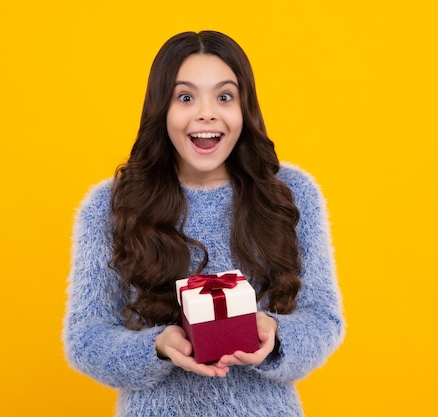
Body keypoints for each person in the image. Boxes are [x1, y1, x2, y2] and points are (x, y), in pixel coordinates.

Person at [63, 30, 345, 417]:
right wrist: (159, 346)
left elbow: (324, 319)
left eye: (224, 96)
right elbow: (84, 339)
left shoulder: (290, 194)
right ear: (161, 109)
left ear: (245, 108)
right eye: (185, 97)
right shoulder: (112, 206)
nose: (206, 113)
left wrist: (275, 334)